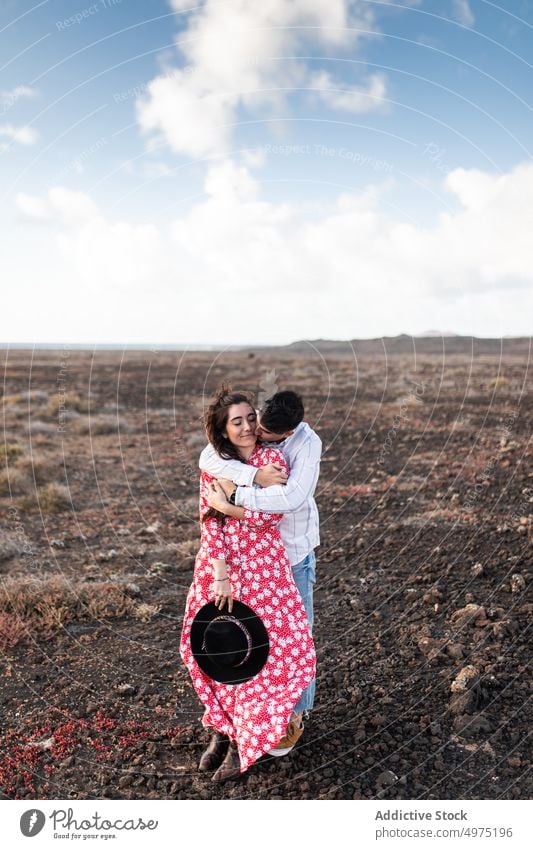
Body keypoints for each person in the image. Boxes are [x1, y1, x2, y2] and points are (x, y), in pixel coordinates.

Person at [179, 387, 316, 783]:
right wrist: (220, 571)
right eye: (237, 421)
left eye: (250, 419)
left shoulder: (273, 458)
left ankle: (246, 743)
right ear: (223, 430)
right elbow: (210, 521)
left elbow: (269, 517)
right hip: (218, 567)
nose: (246, 426)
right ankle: (220, 732)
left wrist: (231, 504)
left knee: (257, 655)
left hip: (264, 567)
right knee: (205, 650)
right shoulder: (215, 462)